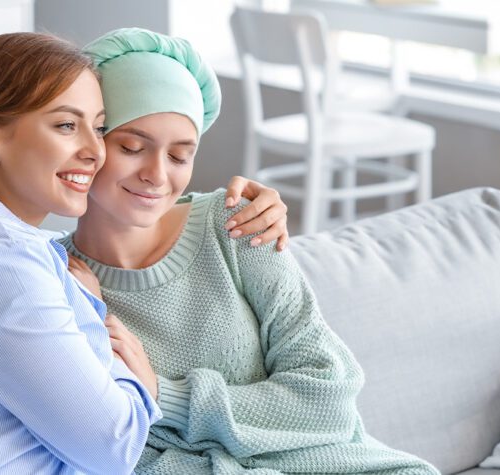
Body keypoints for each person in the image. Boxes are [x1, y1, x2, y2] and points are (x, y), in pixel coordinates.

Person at [0, 32, 291, 474]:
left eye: (98, 128)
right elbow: (114, 447)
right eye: (66, 125)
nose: (93, 150)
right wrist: (91, 310)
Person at [61, 28, 441, 474]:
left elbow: (329, 399)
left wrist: (163, 396)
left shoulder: (238, 224)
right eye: (131, 147)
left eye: (181, 156)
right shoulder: (58, 281)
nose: (157, 175)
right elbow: (124, 455)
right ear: (89, 143)